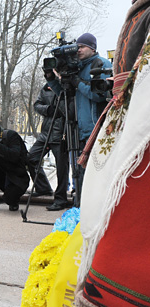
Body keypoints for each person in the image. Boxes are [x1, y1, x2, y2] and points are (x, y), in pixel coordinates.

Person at [75, 0, 150, 307]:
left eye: (82, 47)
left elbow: (104, 91)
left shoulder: (97, 66)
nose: (77, 51)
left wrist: (80, 83)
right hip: (105, 128)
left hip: (134, 135)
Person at [45, 33, 112, 207]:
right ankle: (79, 206)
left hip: (97, 128)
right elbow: (66, 96)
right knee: (80, 172)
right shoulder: (77, 68)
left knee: (95, 172)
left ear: (92, 48)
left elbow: (98, 95)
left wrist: (77, 81)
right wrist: (53, 80)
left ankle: (93, 208)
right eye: (78, 46)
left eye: (82, 47)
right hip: (79, 130)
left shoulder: (101, 64)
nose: (79, 50)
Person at [27, 84, 69, 211]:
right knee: (30, 158)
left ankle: (61, 199)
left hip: (61, 134)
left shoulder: (67, 87)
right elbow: (36, 105)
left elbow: (70, 108)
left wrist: (59, 111)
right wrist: (48, 109)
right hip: (45, 133)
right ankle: (43, 188)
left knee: (62, 168)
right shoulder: (46, 88)